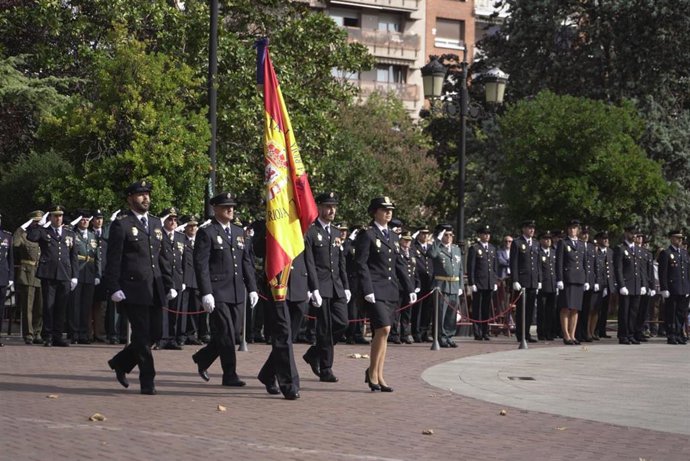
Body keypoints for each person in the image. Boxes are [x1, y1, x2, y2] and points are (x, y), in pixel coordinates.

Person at [104, 180, 174, 395]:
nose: (146, 198)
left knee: (156, 334)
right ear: (130, 198)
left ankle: (121, 362)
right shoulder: (122, 224)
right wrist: (113, 286)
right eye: (141, 194)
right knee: (142, 336)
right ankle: (147, 380)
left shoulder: (154, 223)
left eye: (147, 194)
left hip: (154, 288)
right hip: (133, 289)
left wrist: (170, 283)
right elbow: (113, 259)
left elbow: (163, 257)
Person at [191, 192, 258, 387]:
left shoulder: (238, 232)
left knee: (233, 334)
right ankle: (229, 374)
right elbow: (201, 264)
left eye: (232, 206)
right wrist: (206, 292)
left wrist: (252, 287)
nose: (230, 209)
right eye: (225, 206)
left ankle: (203, 358)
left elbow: (246, 262)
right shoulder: (208, 232)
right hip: (218, 291)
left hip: (236, 291)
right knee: (227, 333)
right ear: (215, 209)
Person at [355, 197, 415, 392]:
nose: (388, 213)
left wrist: (410, 288)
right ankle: (372, 373)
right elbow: (361, 263)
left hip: (390, 290)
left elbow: (399, 264)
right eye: (384, 209)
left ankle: (379, 374)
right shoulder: (368, 234)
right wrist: (367, 289)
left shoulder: (393, 236)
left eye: (390, 210)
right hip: (375, 288)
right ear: (374, 212)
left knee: (384, 333)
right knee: (384, 328)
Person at [302, 192, 350, 383]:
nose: (332, 210)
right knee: (325, 328)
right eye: (328, 207)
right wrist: (313, 288)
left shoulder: (336, 232)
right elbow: (310, 262)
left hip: (336, 286)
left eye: (334, 207)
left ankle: (314, 353)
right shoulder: (312, 232)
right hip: (321, 286)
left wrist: (345, 285)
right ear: (319, 208)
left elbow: (341, 263)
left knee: (342, 322)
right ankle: (326, 368)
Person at [252, 219, 301, 400]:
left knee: (289, 337)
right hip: (278, 284)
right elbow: (257, 250)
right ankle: (289, 383)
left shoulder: (300, 219)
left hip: (300, 285)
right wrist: (268, 230)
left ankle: (267, 373)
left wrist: (314, 285)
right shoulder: (269, 221)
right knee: (283, 333)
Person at [27, 205, 79, 347]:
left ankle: (57, 335)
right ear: (50, 217)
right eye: (55, 216)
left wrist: (75, 276)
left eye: (60, 215)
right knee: (49, 306)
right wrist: (40, 225)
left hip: (65, 274)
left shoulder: (70, 234)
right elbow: (31, 237)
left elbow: (73, 256)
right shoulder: (44, 232)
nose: (58, 218)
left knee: (61, 307)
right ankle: (48, 335)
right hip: (49, 274)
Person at [428, 225, 462, 347]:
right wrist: (437, 239)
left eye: (450, 235)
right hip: (441, 286)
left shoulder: (456, 249)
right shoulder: (437, 248)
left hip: (454, 285)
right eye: (446, 235)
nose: (449, 237)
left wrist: (460, 286)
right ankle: (440, 337)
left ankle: (449, 336)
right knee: (441, 313)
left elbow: (460, 269)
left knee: (451, 314)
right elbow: (431, 254)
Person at [69, 211, 100, 344]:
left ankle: (83, 333)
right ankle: (74, 333)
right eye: (83, 220)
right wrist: (73, 275)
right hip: (77, 273)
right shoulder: (73, 234)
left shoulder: (93, 236)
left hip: (90, 274)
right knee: (75, 306)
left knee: (86, 306)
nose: (85, 222)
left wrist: (98, 274)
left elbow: (98, 257)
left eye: (87, 220)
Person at [555, 219, 587, 345]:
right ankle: (566, 335)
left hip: (579, 278)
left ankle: (573, 335)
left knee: (575, 308)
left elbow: (584, 263)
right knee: (565, 308)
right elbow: (559, 263)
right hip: (568, 279)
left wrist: (586, 280)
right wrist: (560, 279)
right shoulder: (563, 243)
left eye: (575, 228)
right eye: (571, 228)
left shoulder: (581, 244)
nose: (572, 230)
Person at [13, 211, 44, 344]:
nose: (37, 224)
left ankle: (37, 332)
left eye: (39, 222)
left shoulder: (43, 236)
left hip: (40, 274)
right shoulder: (24, 236)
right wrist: (21, 228)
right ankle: (29, 334)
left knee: (40, 307)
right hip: (27, 273)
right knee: (28, 307)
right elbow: (15, 243)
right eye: (35, 222)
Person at [510, 220, 541, 343]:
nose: (532, 230)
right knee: (521, 309)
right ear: (523, 229)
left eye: (533, 228)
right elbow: (514, 263)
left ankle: (527, 333)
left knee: (530, 309)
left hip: (533, 281)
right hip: (522, 281)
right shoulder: (517, 243)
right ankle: (520, 334)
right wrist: (515, 280)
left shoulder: (535, 243)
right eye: (529, 228)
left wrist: (539, 280)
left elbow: (537, 263)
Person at [466, 225, 498, 341]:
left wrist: (494, 281)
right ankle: (477, 332)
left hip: (489, 282)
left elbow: (494, 267)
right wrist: (472, 282)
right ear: (479, 235)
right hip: (479, 283)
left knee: (486, 308)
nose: (487, 236)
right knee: (477, 308)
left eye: (488, 234)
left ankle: (485, 331)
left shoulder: (492, 248)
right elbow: (471, 267)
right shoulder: (474, 248)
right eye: (484, 233)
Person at [613, 225, 644, 345]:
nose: (634, 236)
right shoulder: (620, 248)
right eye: (632, 233)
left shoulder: (637, 249)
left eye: (635, 234)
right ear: (626, 233)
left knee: (633, 312)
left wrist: (642, 285)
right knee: (624, 312)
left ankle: (631, 334)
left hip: (636, 285)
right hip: (626, 285)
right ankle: (623, 335)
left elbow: (640, 269)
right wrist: (621, 285)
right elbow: (618, 269)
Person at [657, 230, 689, 345]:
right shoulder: (666, 253)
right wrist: (664, 288)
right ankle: (671, 335)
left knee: (681, 313)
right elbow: (663, 272)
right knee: (671, 313)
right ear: (671, 239)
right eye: (677, 238)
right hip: (672, 288)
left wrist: (688, 287)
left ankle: (679, 334)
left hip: (683, 288)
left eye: (681, 238)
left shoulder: (684, 253)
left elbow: (687, 272)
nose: (680, 240)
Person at [158, 207, 183, 350]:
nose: (173, 222)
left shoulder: (180, 237)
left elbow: (183, 259)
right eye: (170, 219)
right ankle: (162, 338)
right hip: (163, 279)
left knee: (176, 311)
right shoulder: (159, 235)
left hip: (178, 278)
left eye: (175, 219)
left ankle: (172, 338)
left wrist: (183, 279)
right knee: (164, 311)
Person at [177, 215, 203, 346]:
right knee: (183, 308)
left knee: (195, 308)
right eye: (190, 226)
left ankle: (191, 334)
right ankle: (181, 334)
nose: (193, 228)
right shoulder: (181, 240)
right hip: (185, 279)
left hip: (197, 280)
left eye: (195, 226)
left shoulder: (200, 241)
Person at [392, 230, 419, 345]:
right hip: (399, 286)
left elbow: (414, 271)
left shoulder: (412, 253)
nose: (407, 243)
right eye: (405, 240)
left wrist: (417, 285)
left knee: (407, 313)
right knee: (397, 312)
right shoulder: (397, 253)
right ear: (401, 240)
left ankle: (405, 334)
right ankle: (395, 334)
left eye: (409, 241)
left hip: (410, 287)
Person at [590, 231, 616, 340]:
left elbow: (612, 268)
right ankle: (594, 331)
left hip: (608, 283)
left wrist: (613, 282)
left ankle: (602, 330)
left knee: (605, 309)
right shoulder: (595, 251)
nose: (606, 240)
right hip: (599, 283)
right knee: (596, 308)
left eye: (607, 238)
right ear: (599, 240)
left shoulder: (610, 252)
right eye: (603, 238)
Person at [411, 226, 434, 343]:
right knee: (418, 308)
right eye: (422, 234)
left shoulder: (430, 247)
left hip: (429, 281)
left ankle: (424, 331)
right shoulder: (414, 247)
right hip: (419, 281)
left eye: (427, 234)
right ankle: (416, 332)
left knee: (427, 309)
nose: (425, 236)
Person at [576, 226, 598, 342]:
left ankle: (585, 333)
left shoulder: (591, 247)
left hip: (590, 281)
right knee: (578, 309)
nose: (585, 236)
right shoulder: (578, 245)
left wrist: (596, 281)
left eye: (587, 234)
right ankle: (578, 333)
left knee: (587, 309)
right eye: (583, 233)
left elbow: (594, 265)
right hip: (580, 280)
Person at [89, 209, 108, 342]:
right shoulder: (88, 235)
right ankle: (88, 333)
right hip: (89, 273)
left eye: (101, 218)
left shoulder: (106, 236)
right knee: (88, 305)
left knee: (101, 307)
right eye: (96, 218)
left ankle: (100, 334)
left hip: (104, 275)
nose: (99, 221)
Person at [536, 231, 557, 340]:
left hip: (553, 285)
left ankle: (549, 332)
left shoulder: (553, 252)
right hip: (543, 285)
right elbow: (538, 269)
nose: (548, 240)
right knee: (542, 311)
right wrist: (539, 282)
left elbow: (556, 269)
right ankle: (541, 332)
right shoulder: (538, 253)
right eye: (545, 238)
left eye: (549, 238)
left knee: (551, 310)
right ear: (541, 240)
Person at [0, 212, 14, 347]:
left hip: (3, 277)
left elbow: (10, 258)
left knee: (1, 309)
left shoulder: (7, 236)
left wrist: (11, 277)